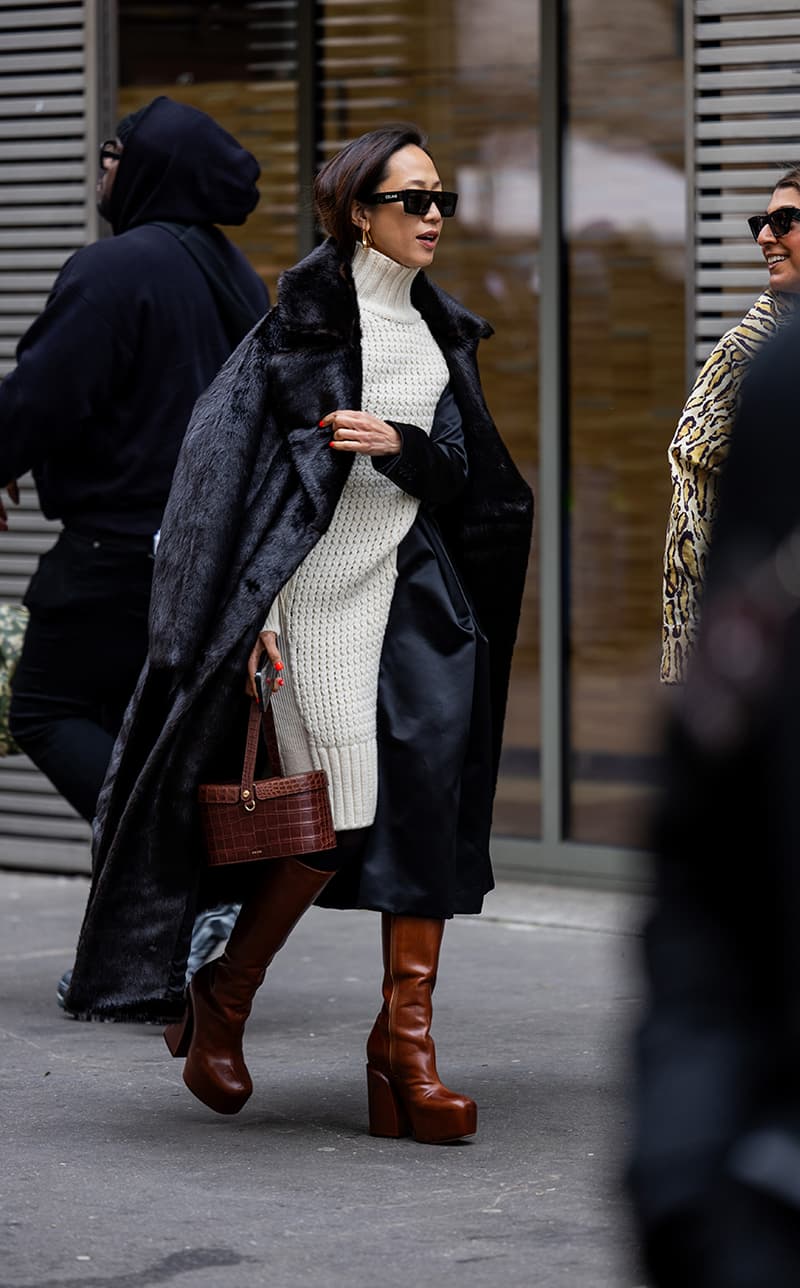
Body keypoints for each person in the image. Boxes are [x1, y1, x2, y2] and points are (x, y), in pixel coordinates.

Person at [65, 124, 533, 1144]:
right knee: (334, 815)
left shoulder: (441, 331)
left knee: (421, 812)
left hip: (408, 595)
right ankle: (221, 997)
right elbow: (217, 488)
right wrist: (247, 620)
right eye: (410, 199)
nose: (432, 217)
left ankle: (403, 1050)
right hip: (309, 598)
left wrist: (402, 444)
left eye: (440, 197)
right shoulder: (297, 332)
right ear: (356, 210)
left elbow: (461, 475)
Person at [0, 96, 270, 999]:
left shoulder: (114, 269)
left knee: (42, 706)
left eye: (114, 154)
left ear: (152, 168)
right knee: (145, 738)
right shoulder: (237, 279)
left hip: (119, 552)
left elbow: (43, 395)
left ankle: (188, 884)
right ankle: (150, 944)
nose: (102, 170)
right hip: (214, 555)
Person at [630, 306, 800, 1284]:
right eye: (768, 219)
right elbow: (698, 864)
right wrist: (687, 1184)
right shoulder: (777, 375)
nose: (776, 237)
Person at [661, 163, 800, 685]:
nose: (765, 236)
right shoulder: (748, 350)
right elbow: (692, 504)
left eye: (784, 220)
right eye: (760, 223)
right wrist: (694, 660)